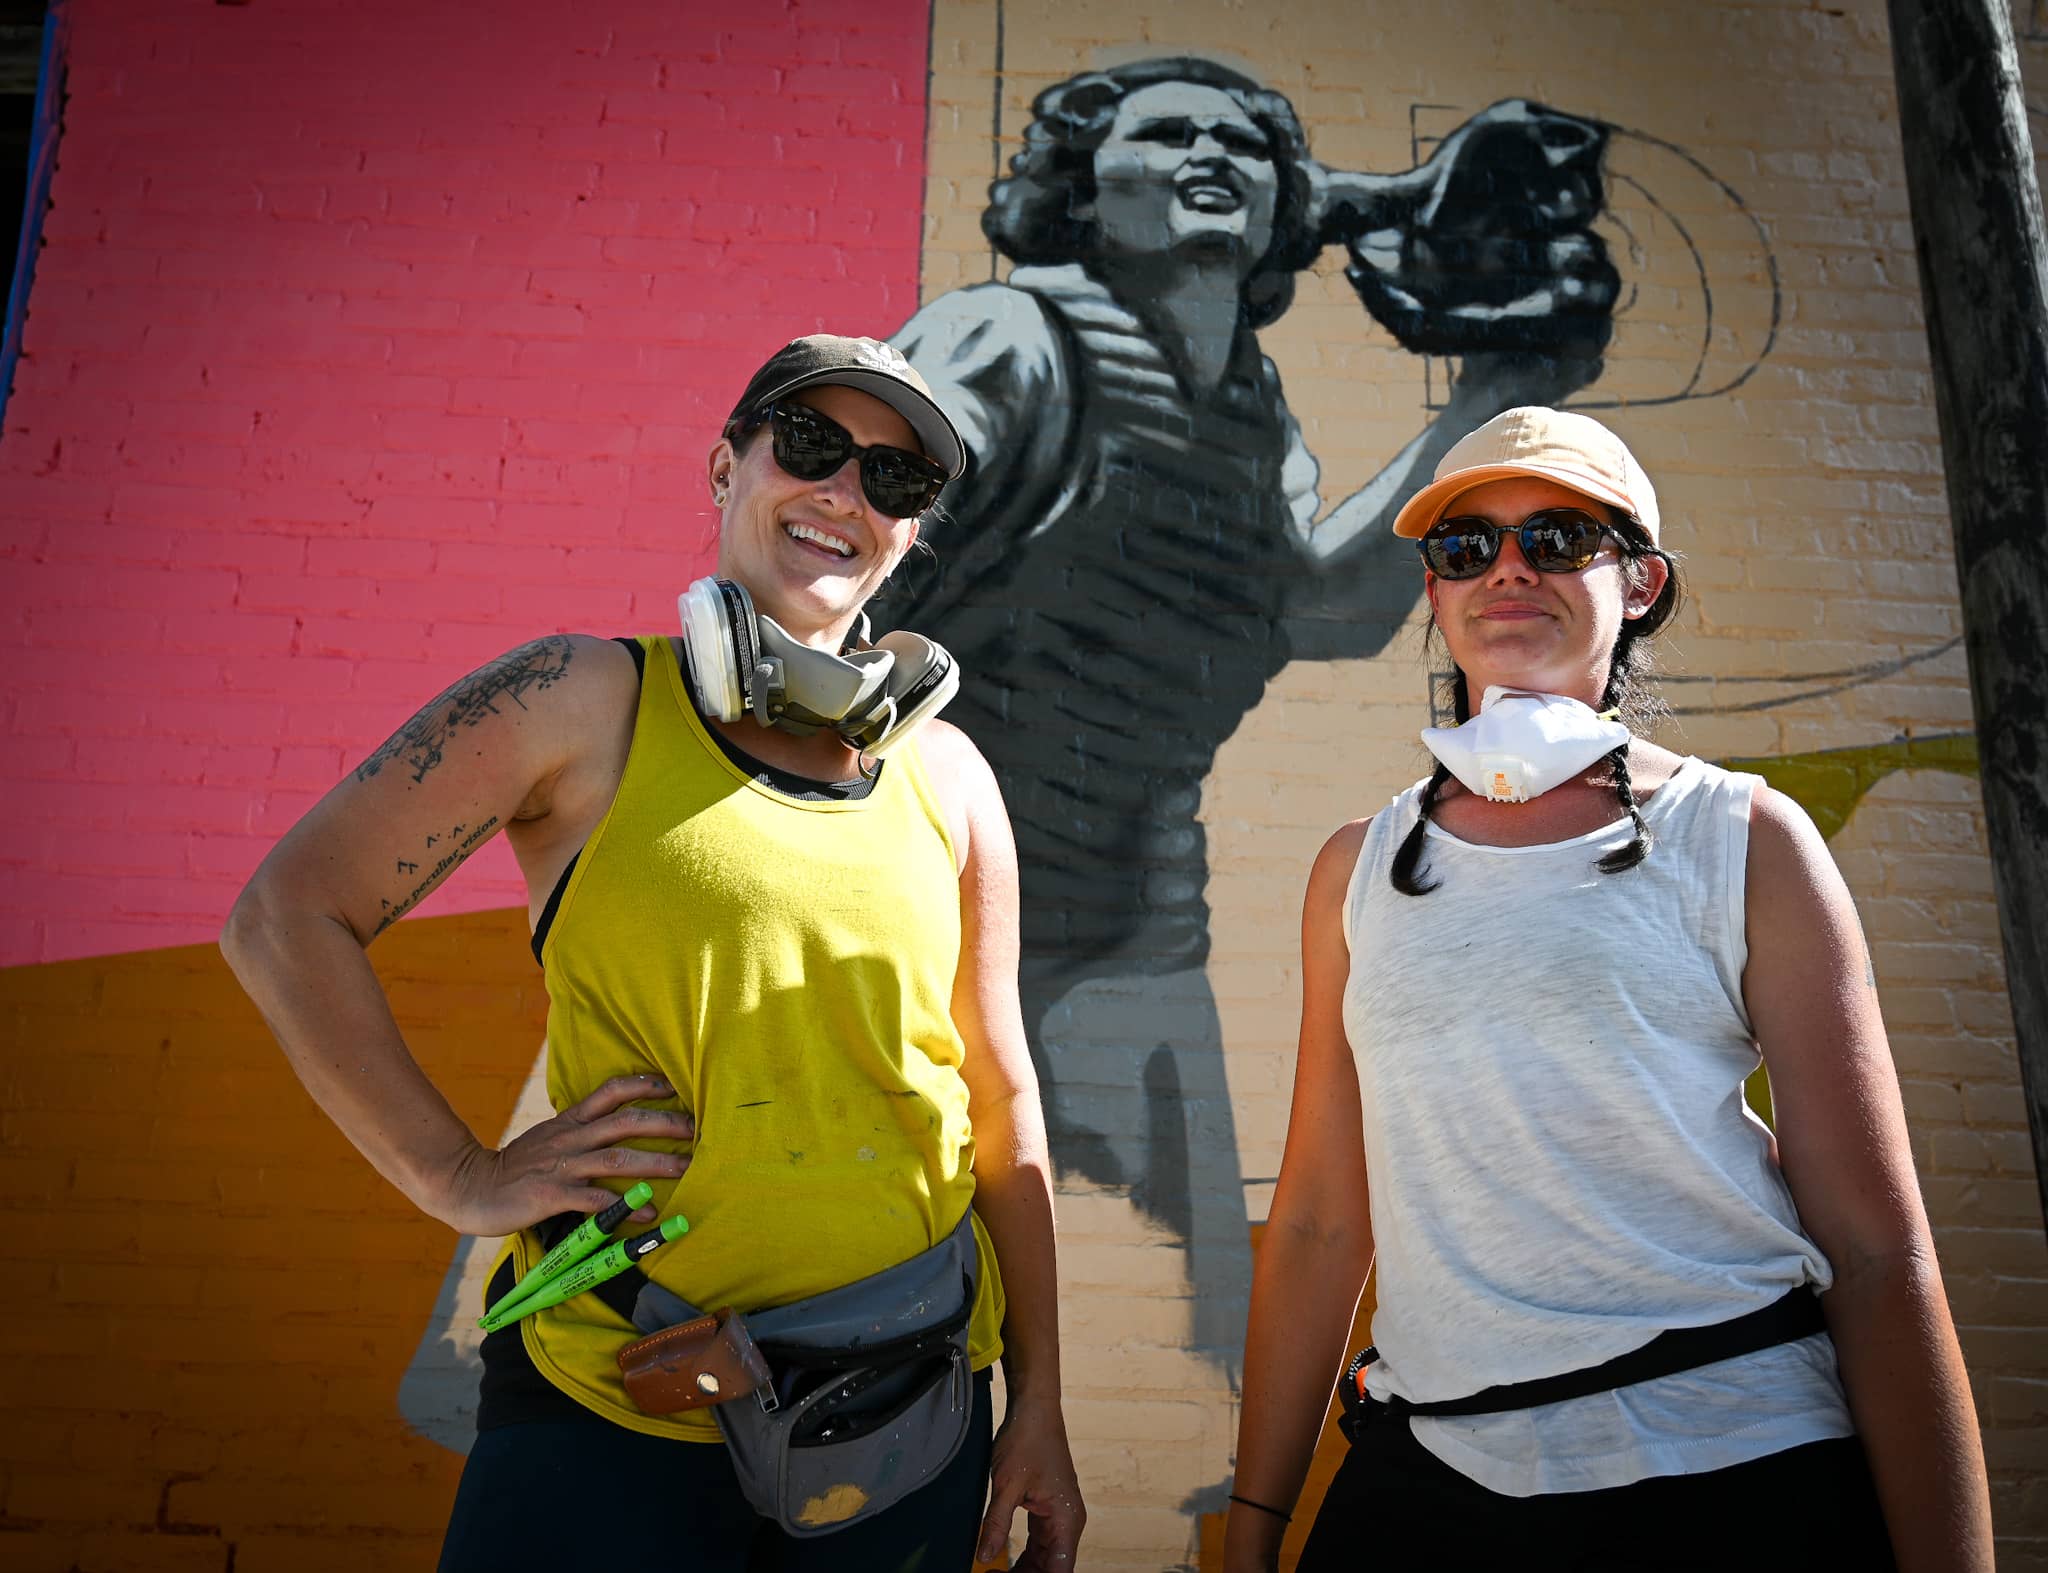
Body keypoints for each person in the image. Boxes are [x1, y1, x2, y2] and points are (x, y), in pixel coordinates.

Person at [221, 334, 1084, 1572]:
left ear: (906, 536)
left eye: (894, 482)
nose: (846, 492)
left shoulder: (946, 777)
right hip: (610, 1406)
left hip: (903, 1429)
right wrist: (456, 1177)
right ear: (724, 465)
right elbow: (284, 917)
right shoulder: (579, 699)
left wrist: (1041, 1400)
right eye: (811, 446)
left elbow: (999, 1100)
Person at [885, 55, 1618, 1366]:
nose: (1206, 151)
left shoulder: (1246, 403)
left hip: (1131, 926)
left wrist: (1493, 392)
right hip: (913, 917)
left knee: (1182, 1353)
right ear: (1082, 189)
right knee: (843, 1312)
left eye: (1241, 142)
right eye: (1163, 134)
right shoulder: (1008, 337)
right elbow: (850, 569)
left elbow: (1323, 609)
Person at [1224, 407, 1992, 1571]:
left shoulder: (1744, 838)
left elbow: (1878, 1252)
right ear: (1433, 594)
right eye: (1464, 546)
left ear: (1639, 582)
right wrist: (1254, 1525)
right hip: (1435, 1466)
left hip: (1730, 1456)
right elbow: (1324, 1221)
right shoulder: (1356, 867)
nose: (1509, 569)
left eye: (1559, 536)